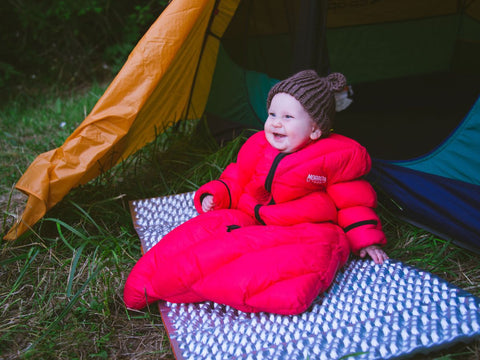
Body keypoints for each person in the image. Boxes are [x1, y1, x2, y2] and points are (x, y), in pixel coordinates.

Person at [124, 70, 388, 315]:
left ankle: (214, 285)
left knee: (307, 257)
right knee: (205, 232)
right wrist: (217, 194)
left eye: (288, 117)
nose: (276, 123)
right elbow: (238, 176)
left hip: (304, 226)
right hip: (250, 215)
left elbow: (353, 201)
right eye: (272, 115)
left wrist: (365, 238)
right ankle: (150, 283)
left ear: (315, 129)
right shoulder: (259, 146)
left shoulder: (333, 156)